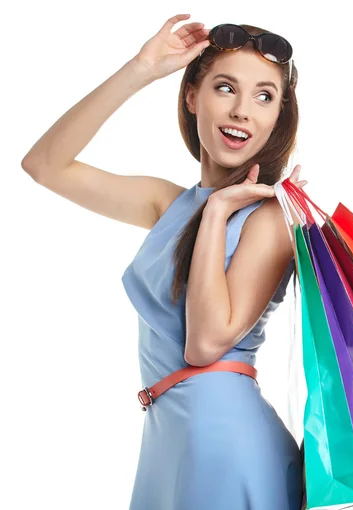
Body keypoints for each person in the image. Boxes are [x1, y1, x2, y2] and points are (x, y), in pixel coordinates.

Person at [21, 14, 307, 510]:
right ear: (193, 96)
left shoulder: (268, 219)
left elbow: (205, 343)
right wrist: (141, 68)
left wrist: (218, 212)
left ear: (278, 119)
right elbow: (44, 165)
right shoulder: (168, 203)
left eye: (265, 97)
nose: (243, 111)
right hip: (169, 438)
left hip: (224, 442)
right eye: (225, 88)